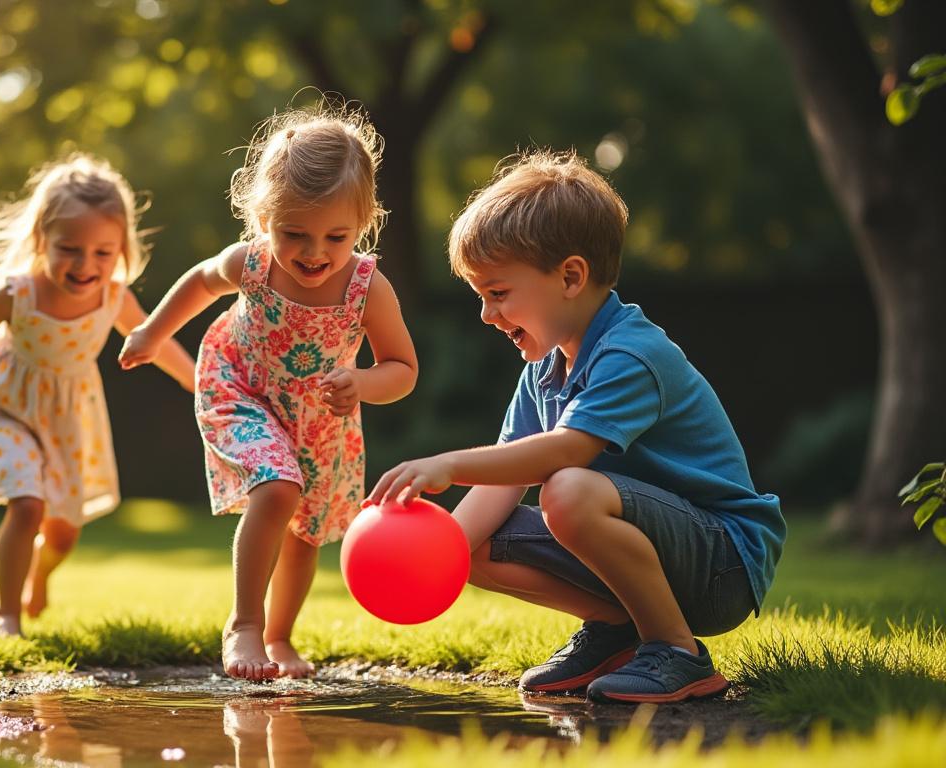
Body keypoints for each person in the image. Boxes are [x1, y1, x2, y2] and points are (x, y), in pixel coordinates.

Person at [368, 149, 784, 703]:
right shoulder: (544, 366)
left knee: (567, 488)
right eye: (480, 297)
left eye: (497, 294)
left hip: (719, 564)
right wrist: (435, 558)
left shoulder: (631, 354)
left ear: (570, 276)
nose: (488, 316)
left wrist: (446, 463)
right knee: (472, 541)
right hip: (651, 553)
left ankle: (677, 652)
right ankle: (620, 632)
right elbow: (505, 477)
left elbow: (563, 452)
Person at [119, 103, 418, 680]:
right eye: (293, 233)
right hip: (241, 388)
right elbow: (200, 283)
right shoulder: (253, 264)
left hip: (321, 419)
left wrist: (361, 383)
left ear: (364, 222)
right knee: (278, 488)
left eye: (336, 235)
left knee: (305, 531)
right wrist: (153, 332)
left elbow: (402, 368)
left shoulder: (366, 287)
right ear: (263, 218)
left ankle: (279, 639)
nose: (314, 252)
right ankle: (245, 625)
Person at [0, 155, 195, 639]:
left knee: (63, 530)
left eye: (102, 252)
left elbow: (152, 338)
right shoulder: (17, 293)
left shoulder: (115, 298)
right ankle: (5, 613)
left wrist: (195, 378)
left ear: (121, 250)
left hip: (67, 418)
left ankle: (39, 574)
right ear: (41, 241)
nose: (85, 265)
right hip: (2, 406)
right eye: (69, 249)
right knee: (28, 503)